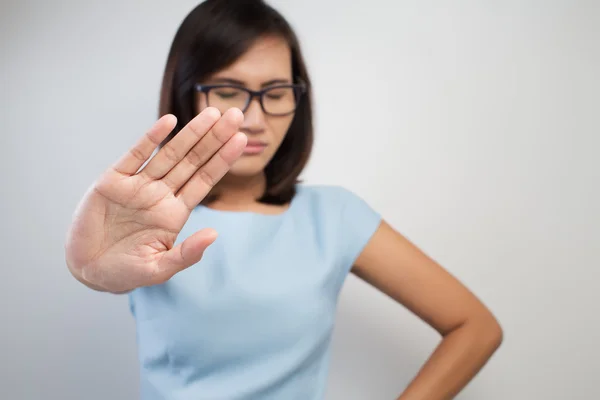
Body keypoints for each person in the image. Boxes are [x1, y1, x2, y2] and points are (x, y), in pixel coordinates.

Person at [64, 0, 503, 399]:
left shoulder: (334, 217)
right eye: (229, 91)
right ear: (187, 94)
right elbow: (104, 273)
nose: (253, 120)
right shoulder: (146, 219)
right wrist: (88, 270)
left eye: (275, 94)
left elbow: (475, 327)